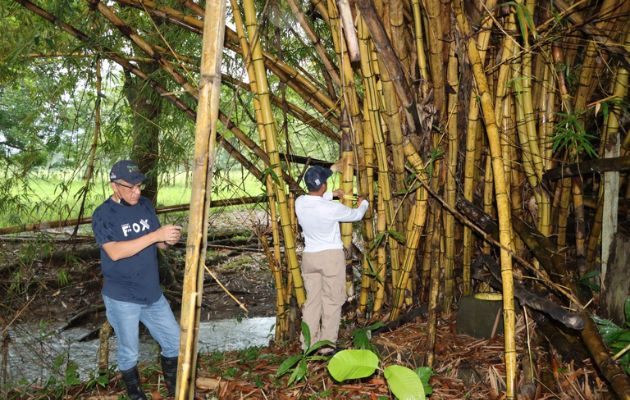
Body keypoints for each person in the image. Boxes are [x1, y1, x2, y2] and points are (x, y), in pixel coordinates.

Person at [91, 160, 182, 400]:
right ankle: (136, 395)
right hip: (122, 298)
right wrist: (155, 235)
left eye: (139, 186)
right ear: (114, 186)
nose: (137, 191)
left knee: (175, 342)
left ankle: (175, 391)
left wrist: (167, 239)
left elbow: (158, 243)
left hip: (152, 293)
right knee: (130, 353)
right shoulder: (103, 214)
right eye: (131, 187)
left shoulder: (144, 205)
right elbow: (115, 252)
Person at [294, 165, 369, 354]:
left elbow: (316, 199)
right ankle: (326, 347)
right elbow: (357, 215)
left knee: (312, 302)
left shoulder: (299, 202)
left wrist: (334, 194)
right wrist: (364, 203)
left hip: (310, 258)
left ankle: (308, 345)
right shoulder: (332, 209)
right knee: (332, 301)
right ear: (324, 185)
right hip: (331, 259)